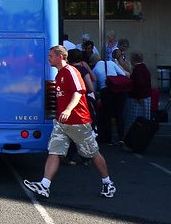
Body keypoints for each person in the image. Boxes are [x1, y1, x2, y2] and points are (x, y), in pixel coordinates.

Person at [23, 45, 116, 199]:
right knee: (54, 151)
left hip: (78, 121)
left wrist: (68, 110)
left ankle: (108, 183)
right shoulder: (59, 74)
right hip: (62, 122)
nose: (48, 58)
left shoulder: (71, 71)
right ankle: (44, 185)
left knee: (92, 152)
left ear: (60, 57)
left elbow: (79, 92)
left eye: (51, 56)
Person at [92, 52, 129, 145]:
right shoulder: (111, 63)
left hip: (106, 92)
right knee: (119, 115)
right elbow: (123, 74)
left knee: (107, 115)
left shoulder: (95, 69)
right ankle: (121, 137)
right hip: (119, 91)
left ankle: (108, 138)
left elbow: (94, 87)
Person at [123, 51, 151, 134]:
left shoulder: (137, 70)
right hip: (145, 96)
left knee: (133, 119)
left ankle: (132, 136)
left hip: (137, 98)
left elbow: (140, 83)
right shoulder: (145, 68)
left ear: (133, 60)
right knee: (144, 119)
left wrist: (139, 96)